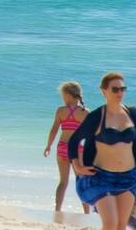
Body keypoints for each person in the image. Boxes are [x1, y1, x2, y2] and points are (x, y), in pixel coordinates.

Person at [68, 72, 136, 230]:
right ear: (104, 91)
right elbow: (74, 141)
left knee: (121, 225)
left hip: (129, 178)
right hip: (102, 178)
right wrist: (77, 166)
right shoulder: (97, 116)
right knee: (110, 224)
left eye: (122, 89)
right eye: (115, 89)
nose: (119, 93)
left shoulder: (132, 112)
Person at [43, 81, 89, 214]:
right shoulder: (84, 112)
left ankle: (57, 209)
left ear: (68, 95)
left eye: (63, 95)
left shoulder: (61, 111)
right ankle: (86, 212)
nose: (62, 98)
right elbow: (90, 134)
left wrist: (48, 146)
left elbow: (54, 130)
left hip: (62, 147)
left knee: (63, 181)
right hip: (77, 150)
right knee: (81, 181)